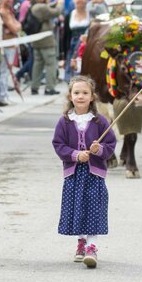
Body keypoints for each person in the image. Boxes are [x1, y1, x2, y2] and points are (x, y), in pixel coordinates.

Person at [52, 76, 117, 268]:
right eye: (77, 93)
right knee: (78, 208)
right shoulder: (65, 121)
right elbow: (58, 144)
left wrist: (99, 150)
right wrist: (74, 154)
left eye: (85, 93)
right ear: (70, 96)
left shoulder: (99, 122)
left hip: (94, 174)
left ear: (92, 97)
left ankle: (92, 246)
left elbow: (110, 144)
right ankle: (81, 242)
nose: (81, 96)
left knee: (94, 209)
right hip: (73, 174)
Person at [29, 0, 64, 95]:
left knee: (38, 64)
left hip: (37, 40)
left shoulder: (33, 7)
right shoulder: (40, 7)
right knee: (50, 64)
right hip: (46, 41)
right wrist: (60, 3)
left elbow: (48, 8)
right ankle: (50, 87)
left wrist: (52, 3)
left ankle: (34, 87)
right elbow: (56, 12)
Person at [0, 0, 21, 106]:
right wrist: (14, 27)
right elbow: (15, 28)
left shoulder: (9, 10)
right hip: (6, 45)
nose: (10, 0)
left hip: (11, 44)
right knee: (4, 72)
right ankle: (2, 96)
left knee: (7, 71)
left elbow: (18, 25)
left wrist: (15, 27)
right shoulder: (3, 11)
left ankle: (5, 95)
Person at [63, 0, 89, 83]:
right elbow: (65, 36)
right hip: (72, 46)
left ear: (86, 0)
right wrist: (63, 56)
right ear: (73, 0)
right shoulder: (70, 15)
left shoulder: (90, 14)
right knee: (71, 71)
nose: (80, 0)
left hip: (86, 46)